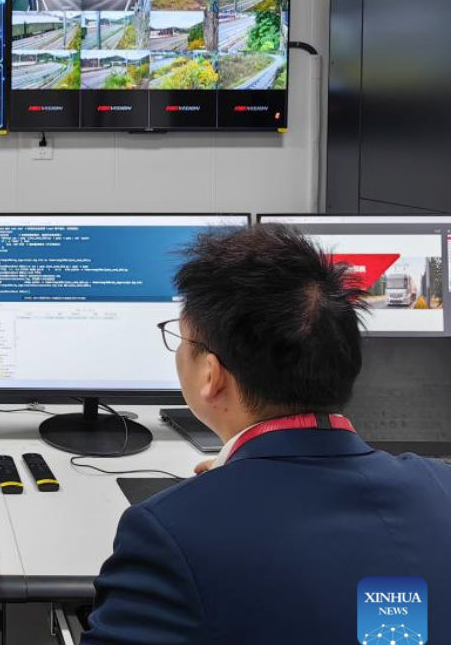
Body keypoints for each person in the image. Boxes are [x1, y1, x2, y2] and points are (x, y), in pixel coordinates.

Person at [83, 224, 451, 645]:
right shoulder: (443, 488)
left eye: (181, 339)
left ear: (211, 374)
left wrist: (209, 504)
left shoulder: (168, 534)